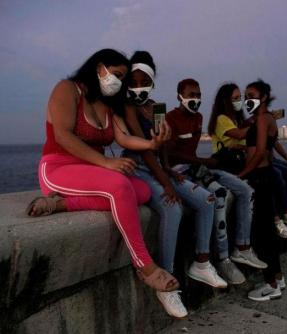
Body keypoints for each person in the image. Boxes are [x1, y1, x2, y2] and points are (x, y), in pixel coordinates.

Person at [24, 49, 178, 294]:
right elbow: (62, 136)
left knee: (142, 191)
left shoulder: (109, 104)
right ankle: (145, 265)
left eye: (122, 77)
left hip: (91, 170)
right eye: (116, 74)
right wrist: (105, 163)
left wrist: (152, 144)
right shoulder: (67, 89)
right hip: (58, 167)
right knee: (119, 186)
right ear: (99, 68)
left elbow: (124, 138)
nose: (117, 81)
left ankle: (60, 205)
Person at [122, 51, 207, 317]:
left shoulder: (155, 106)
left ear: (151, 80)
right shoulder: (128, 106)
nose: (138, 87)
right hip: (139, 168)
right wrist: (166, 183)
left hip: (159, 167)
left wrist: (169, 168)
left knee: (206, 201)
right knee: (172, 207)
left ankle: (204, 263)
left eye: (143, 80)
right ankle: (166, 282)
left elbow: (161, 148)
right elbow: (146, 149)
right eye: (133, 81)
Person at [165, 78, 267, 286]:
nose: (196, 99)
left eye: (198, 95)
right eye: (191, 95)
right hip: (183, 169)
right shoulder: (170, 118)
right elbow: (171, 153)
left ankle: (243, 247)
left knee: (245, 191)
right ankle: (222, 259)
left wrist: (202, 163)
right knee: (218, 194)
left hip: (199, 167)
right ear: (179, 96)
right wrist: (201, 161)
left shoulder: (199, 118)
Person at [208, 83, 287, 240]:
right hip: (232, 161)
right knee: (276, 176)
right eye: (237, 98)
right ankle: (281, 217)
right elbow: (239, 136)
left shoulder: (241, 119)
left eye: (241, 97)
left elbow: (269, 141)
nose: (241, 101)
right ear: (225, 100)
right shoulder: (222, 119)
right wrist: (259, 123)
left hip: (254, 158)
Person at [238, 79, 287, 301]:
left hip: (259, 177)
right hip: (265, 177)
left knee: (261, 234)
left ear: (264, 97)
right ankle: (278, 277)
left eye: (252, 94)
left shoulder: (261, 120)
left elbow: (258, 153)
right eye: (246, 95)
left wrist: (241, 175)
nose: (248, 98)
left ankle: (271, 285)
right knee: (268, 230)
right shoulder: (266, 119)